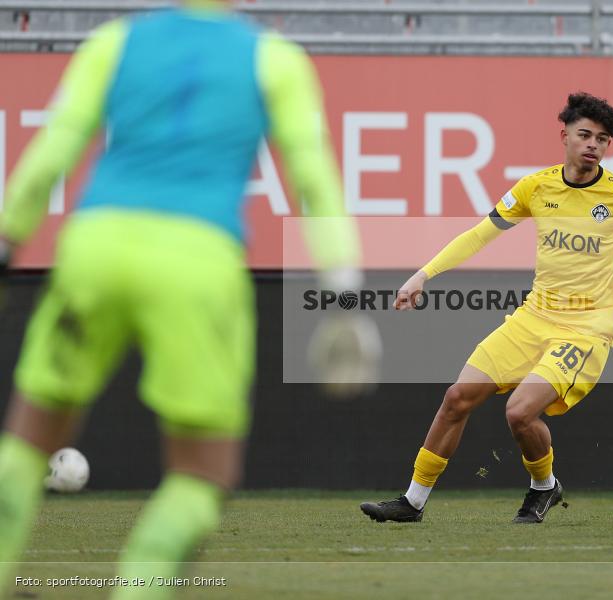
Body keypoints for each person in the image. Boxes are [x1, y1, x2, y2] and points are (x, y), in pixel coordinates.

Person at [0, 0, 362, 595]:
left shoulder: (114, 42)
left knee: (27, 441)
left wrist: (9, 237)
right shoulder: (273, 58)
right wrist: (342, 290)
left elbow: (52, 152)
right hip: (199, 262)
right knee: (202, 473)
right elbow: (313, 178)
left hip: (96, 247)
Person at [360, 92, 613, 524]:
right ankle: (412, 502)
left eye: (602, 139)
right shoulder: (536, 187)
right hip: (533, 317)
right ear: (564, 136)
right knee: (457, 398)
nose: (593, 144)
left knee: (520, 412)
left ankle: (543, 486)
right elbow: (479, 234)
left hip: (586, 329)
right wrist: (423, 274)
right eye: (585, 134)